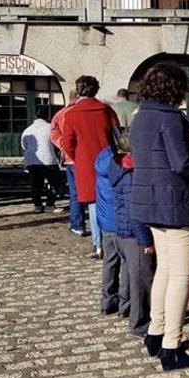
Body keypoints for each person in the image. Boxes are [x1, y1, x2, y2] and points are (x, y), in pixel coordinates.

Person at [130, 63, 189, 371]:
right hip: (176, 203)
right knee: (180, 276)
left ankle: (155, 331)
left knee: (164, 270)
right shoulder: (171, 118)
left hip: (149, 201)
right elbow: (182, 164)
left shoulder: (140, 117)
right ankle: (171, 346)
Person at [61, 76, 120, 259]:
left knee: (93, 203)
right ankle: (112, 240)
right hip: (108, 159)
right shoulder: (106, 110)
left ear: (78, 91)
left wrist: (76, 156)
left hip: (85, 162)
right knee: (110, 199)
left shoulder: (71, 114)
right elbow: (117, 134)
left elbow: (68, 143)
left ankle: (98, 244)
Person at [108, 130, 155, 337]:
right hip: (133, 234)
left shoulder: (119, 167)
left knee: (129, 275)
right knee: (141, 281)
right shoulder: (131, 173)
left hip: (122, 231)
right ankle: (139, 322)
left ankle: (127, 309)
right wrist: (145, 239)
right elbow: (135, 209)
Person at [95, 143, 128, 317]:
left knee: (110, 262)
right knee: (126, 263)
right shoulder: (123, 164)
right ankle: (124, 303)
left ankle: (107, 301)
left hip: (106, 221)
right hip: (121, 221)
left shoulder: (101, 158)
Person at [52, 89, 86, 237]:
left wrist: (64, 145)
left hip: (71, 159)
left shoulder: (60, 114)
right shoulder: (84, 111)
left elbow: (53, 133)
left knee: (75, 193)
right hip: (87, 156)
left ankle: (78, 225)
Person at [21, 110, 63, 213]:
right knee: (55, 182)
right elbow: (56, 142)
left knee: (36, 184)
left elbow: (24, 146)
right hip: (48, 159)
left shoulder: (27, 130)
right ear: (47, 118)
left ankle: (37, 205)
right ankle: (49, 204)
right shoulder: (50, 127)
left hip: (31, 161)